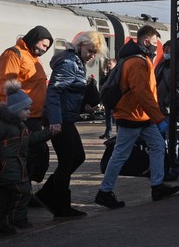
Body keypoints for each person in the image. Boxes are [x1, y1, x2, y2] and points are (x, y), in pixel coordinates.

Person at [95, 25, 179, 207]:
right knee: (120, 154)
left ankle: (157, 185)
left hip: (140, 115)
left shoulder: (138, 59)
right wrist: (158, 118)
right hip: (132, 115)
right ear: (146, 41)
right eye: (155, 43)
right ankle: (105, 191)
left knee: (156, 145)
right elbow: (143, 93)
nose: (157, 48)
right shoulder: (137, 62)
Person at [36, 31, 107, 218]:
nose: (92, 55)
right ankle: (60, 206)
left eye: (95, 53)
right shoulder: (69, 62)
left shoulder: (76, 62)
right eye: (90, 50)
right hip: (61, 119)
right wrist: (56, 120)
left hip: (66, 117)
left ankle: (45, 195)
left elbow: (69, 91)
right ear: (81, 45)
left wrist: (83, 104)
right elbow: (55, 92)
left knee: (76, 157)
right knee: (69, 160)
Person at [0, 80, 52, 235]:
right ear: (15, 110)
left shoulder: (20, 126)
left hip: (14, 167)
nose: (29, 112)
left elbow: (31, 139)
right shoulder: (2, 127)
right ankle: (17, 218)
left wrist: (48, 132)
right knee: (23, 191)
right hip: (7, 169)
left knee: (3, 198)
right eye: (25, 109)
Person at [0, 26, 53, 184]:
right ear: (34, 39)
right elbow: (6, 83)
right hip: (20, 115)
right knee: (27, 154)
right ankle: (20, 189)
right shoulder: (14, 53)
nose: (44, 49)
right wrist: (5, 114)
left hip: (34, 116)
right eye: (43, 45)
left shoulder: (35, 59)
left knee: (38, 153)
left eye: (47, 47)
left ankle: (25, 188)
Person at [99, 57, 117, 140]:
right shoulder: (108, 73)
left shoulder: (116, 73)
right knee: (108, 116)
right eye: (108, 64)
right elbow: (102, 83)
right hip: (107, 98)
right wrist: (104, 75)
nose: (109, 65)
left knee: (115, 117)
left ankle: (118, 132)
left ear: (115, 64)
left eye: (110, 64)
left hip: (113, 98)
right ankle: (107, 133)